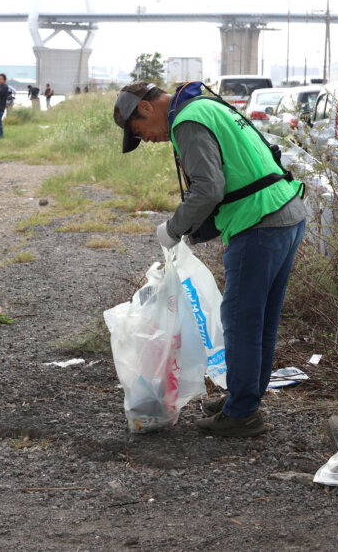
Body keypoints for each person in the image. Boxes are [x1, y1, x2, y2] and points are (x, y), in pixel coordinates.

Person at [113, 82, 308, 437]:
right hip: (286, 212)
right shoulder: (208, 106)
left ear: (143, 109)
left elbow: (208, 187)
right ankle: (244, 397)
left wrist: (173, 228)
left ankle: (243, 414)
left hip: (259, 222)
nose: (149, 140)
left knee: (241, 321)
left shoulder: (185, 120)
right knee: (260, 320)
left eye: (140, 133)